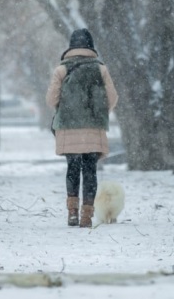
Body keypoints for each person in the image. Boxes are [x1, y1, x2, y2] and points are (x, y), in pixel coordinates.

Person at [46, 28, 118, 227]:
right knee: (90, 171)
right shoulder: (101, 69)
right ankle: (87, 215)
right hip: (93, 129)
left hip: (68, 129)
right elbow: (112, 98)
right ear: (90, 46)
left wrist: (68, 109)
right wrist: (98, 113)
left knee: (72, 169)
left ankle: (72, 213)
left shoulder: (61, 69)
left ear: (71, 46)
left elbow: (51, 99)